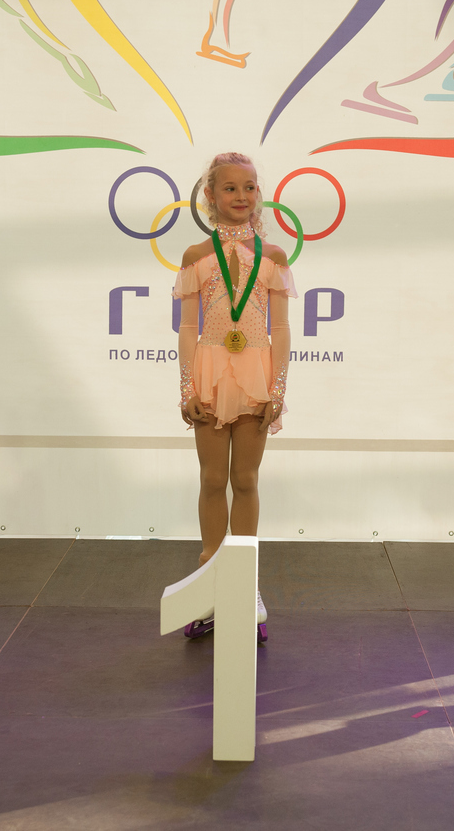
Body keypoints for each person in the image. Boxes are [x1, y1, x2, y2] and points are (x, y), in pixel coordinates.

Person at [175, 152, 296, 640]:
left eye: (249, 187)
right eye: (230, 188)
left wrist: (277, 387)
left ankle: (245, 588)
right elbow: (187, 328)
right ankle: (209, 585)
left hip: (255, 373)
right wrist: (188, 386)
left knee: (245, 478)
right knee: (211, 479)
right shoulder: (195, 256)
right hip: (209, 371)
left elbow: (281, 329)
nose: (241, 196)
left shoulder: (273, 257)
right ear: (210, 196)